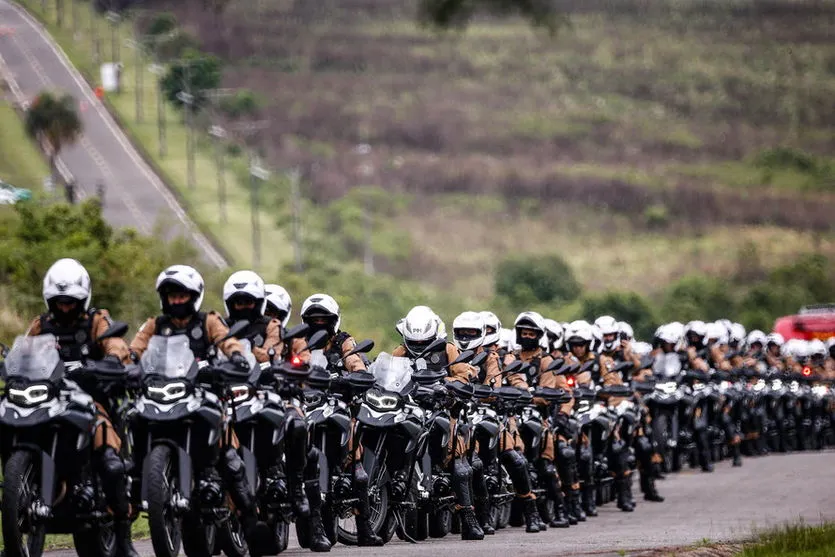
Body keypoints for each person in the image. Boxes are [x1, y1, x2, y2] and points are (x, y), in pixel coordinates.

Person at [129, 265, 259, 546]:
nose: (177, 301)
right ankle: (137, 477)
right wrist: (125, 365)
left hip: (201, 392)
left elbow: (228, 342)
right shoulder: (154, 324)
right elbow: (135, 349)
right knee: (134, 417)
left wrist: (236, 358)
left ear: (193, 296)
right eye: (171, 296)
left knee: (226, 449)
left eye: (181, 295)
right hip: (161, 392)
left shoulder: (208, 321)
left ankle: (248, 517)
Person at [27, 259, 139, 557]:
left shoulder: (96, 320)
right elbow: (24, 351)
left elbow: (116, 344)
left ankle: (123, 536)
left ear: (83, 299)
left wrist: (113, 359)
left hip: (90, 402)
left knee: (111, 462)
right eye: (59, 302)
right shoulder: (41, 324)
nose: (64, 308)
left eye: (71, 303)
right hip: (47, 402)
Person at [291, 293, 384, 547]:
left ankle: (364, 528)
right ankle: (312, 523)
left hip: (337, 403)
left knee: (357, 463)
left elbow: (355, 361)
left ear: (334, 321)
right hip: (307, 404)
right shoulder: (298, 341)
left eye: (324, 320)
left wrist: (356, 375)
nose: (319, 324)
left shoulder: (343, 340)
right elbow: (292, 364)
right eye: (314, 320)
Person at [393, 305, 485, 540]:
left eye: (424, 342)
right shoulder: (400, 352)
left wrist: (449, 385)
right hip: (410, 410)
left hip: (442, 410)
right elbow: (389, 377)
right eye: (415, 342)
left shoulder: (449, 349)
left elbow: (464, 374)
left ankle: (468, 518)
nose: (419, 347)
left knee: (455, 454)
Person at [503, 312, 569, 529]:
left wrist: (528, 394)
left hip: (536, 415)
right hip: (511, 413)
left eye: (532, 333)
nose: (527, 336)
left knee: (545, 465)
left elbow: (546, 393)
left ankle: (561, 509)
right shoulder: (510, 357)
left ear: (539, 336)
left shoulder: (546, 360)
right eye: (524, 332)